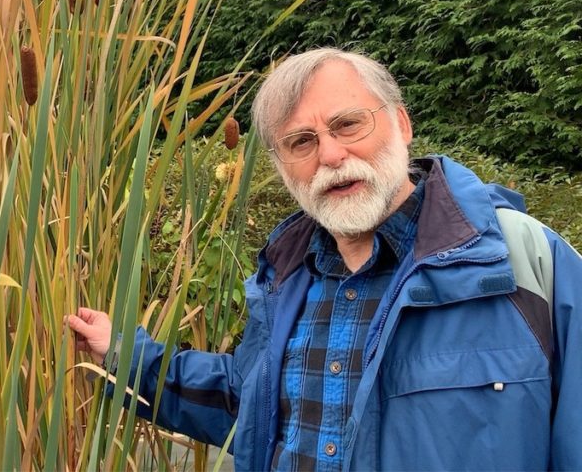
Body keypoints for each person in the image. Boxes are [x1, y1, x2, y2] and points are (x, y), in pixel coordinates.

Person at [65, 48, 582, 471]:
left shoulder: (525, 263)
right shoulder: (286, 277)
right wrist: (123, 354)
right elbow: (248, 401)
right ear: (280, 164)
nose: (330, 155)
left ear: (401, 124)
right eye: (301, 141)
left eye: (348, 124)